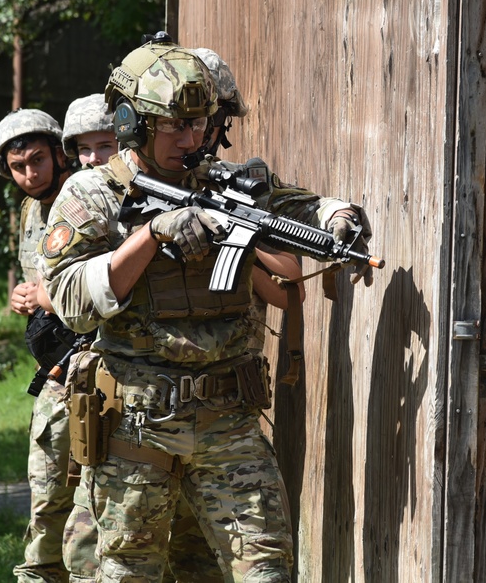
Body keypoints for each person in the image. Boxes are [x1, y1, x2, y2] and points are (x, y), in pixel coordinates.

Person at [36, 37, 372, 582]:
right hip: (136, 428)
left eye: (200, 124)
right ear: (131, 123)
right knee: (127, 574)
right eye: (175, 126)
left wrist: (335, 217)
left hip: (230, 422)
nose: (192, 139)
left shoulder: (220, 181)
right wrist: (149, 236)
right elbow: (72, 304)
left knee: (267, 572)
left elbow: (293, 205)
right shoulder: (91, 195)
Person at [0, 108, 78, 583]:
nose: (30, 173)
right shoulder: (30, 210)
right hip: (53, 371)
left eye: (38, 160)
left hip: (96, 368)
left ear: (58, 154)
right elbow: (37, 279)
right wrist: (26, 297)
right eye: (18, 166)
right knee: (46, 501)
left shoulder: (87, 197)